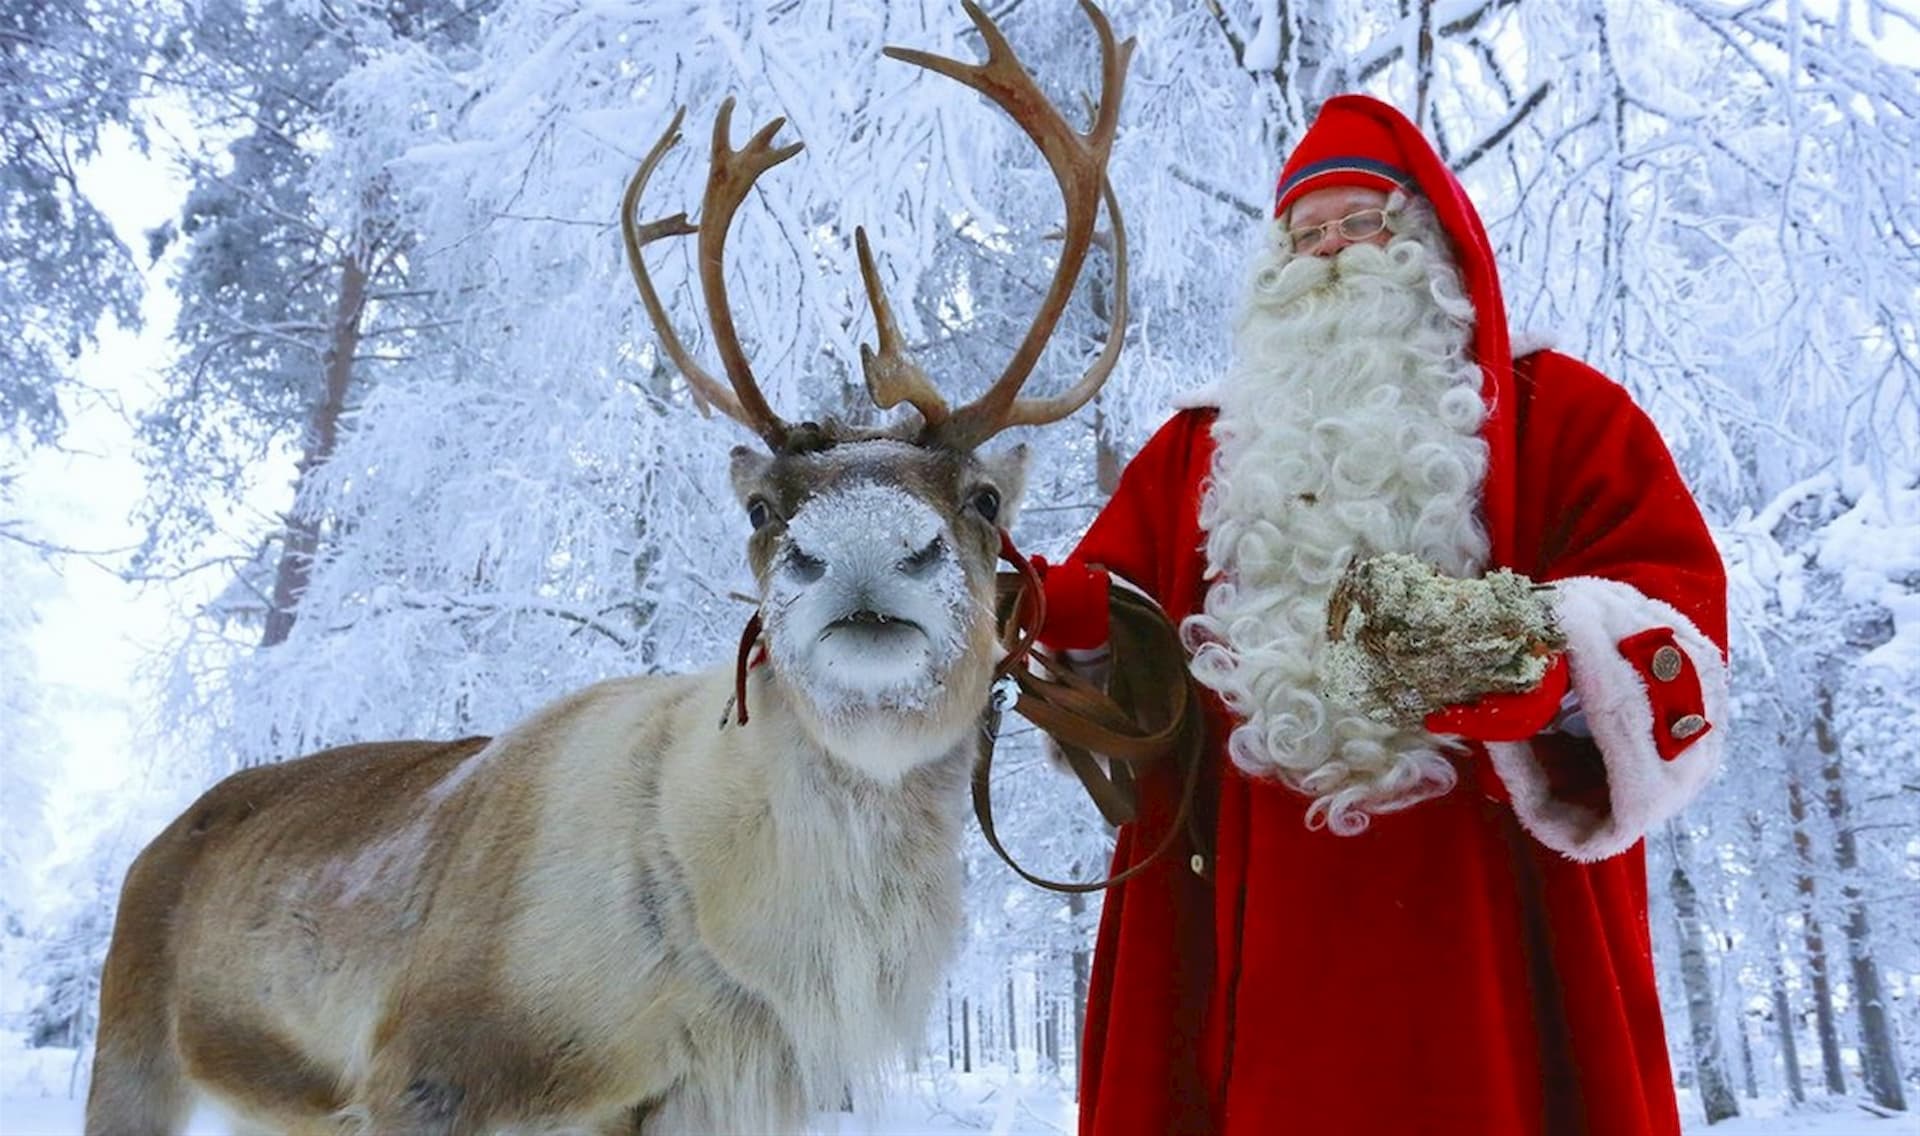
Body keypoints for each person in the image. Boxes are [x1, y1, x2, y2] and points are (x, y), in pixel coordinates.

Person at [1035, 94, 1730, 1135]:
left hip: (1486, 934)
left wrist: (1545, 662)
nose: (1329, 257)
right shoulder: (1197, 453)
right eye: (1305, 237)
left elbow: (1676, 620)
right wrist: (1068, 618)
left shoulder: (1561, 413)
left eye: (1360, 225)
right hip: (1255, 944)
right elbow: (1120, 656)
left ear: (1429, 245)